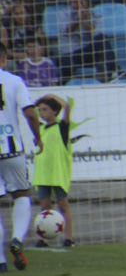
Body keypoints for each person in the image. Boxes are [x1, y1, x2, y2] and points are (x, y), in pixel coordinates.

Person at [0, 41, 42, 271]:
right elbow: (30, 113)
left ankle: (0, 262)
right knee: (22, 194)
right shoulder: (14, 81)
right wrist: (38, 137)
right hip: (12, 149)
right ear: (4, 59)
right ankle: (17, 238)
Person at [32, 94, 75, 248]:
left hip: (57, 174)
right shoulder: (40, 129)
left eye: (45, 109)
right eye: (40, 110)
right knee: (44, 207)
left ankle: (68, 238)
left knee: (63, 206)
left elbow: (67, 107)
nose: (41, 112)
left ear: (55, 111)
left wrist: (51, 96)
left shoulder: (62, 127)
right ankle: (42, 239)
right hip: (42, 174)